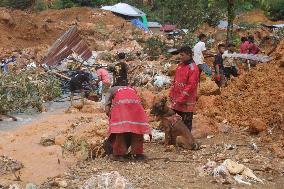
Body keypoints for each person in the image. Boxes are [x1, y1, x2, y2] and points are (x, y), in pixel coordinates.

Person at [104, 85, 151, 161]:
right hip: (136, 106)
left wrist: (111, 117)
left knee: (121, 130)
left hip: (122, 106)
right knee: (136, 129)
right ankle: (138, 154)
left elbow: (107, 109)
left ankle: (119, 154)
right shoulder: (131, 89)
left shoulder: (110, 90)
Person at [169, 46, 199, 132]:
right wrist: (171, 93)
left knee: (186, 125)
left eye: (182, 55)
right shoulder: (180, 66)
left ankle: (187, 142)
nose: (180, 57)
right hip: (177, 100)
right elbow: (175, 81)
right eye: (180, 55)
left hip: (186, 102)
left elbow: (191, 86)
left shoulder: (193, 68)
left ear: (189, 54)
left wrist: (181, 98)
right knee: (174, 122)